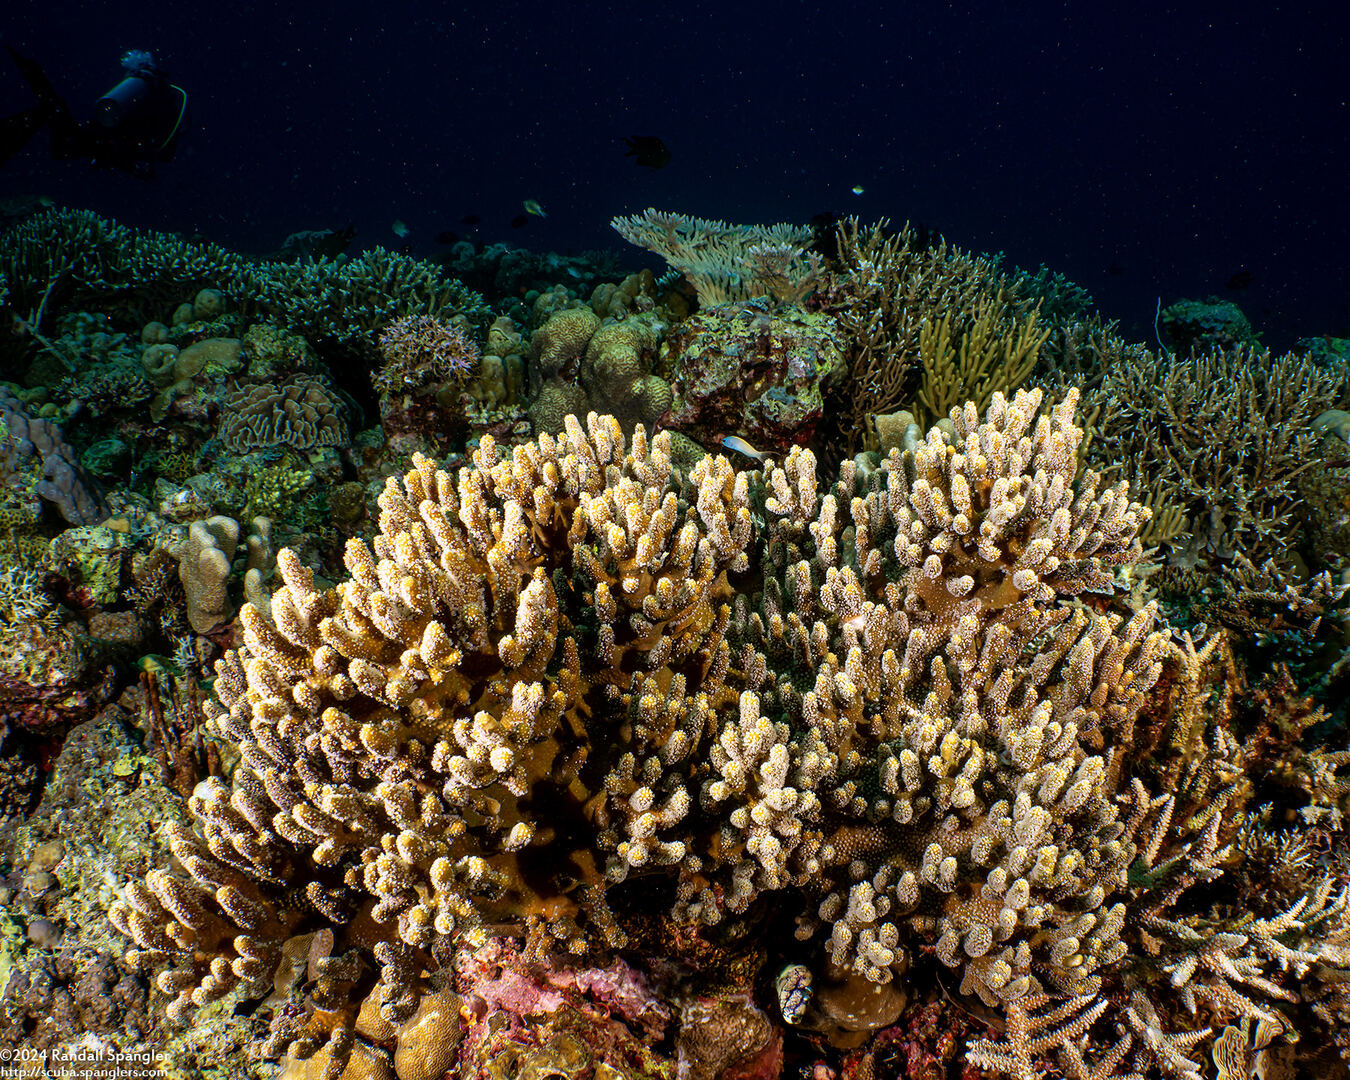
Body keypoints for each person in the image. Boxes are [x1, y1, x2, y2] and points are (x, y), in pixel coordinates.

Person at [0, 47, 187, 177]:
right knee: (62, 147)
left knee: (63, 145)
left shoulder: (150, 94)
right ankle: (38, 83)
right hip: (110, 139)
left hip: (106, 134)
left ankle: (39, 87)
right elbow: (161, 148)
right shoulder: (166, 97)